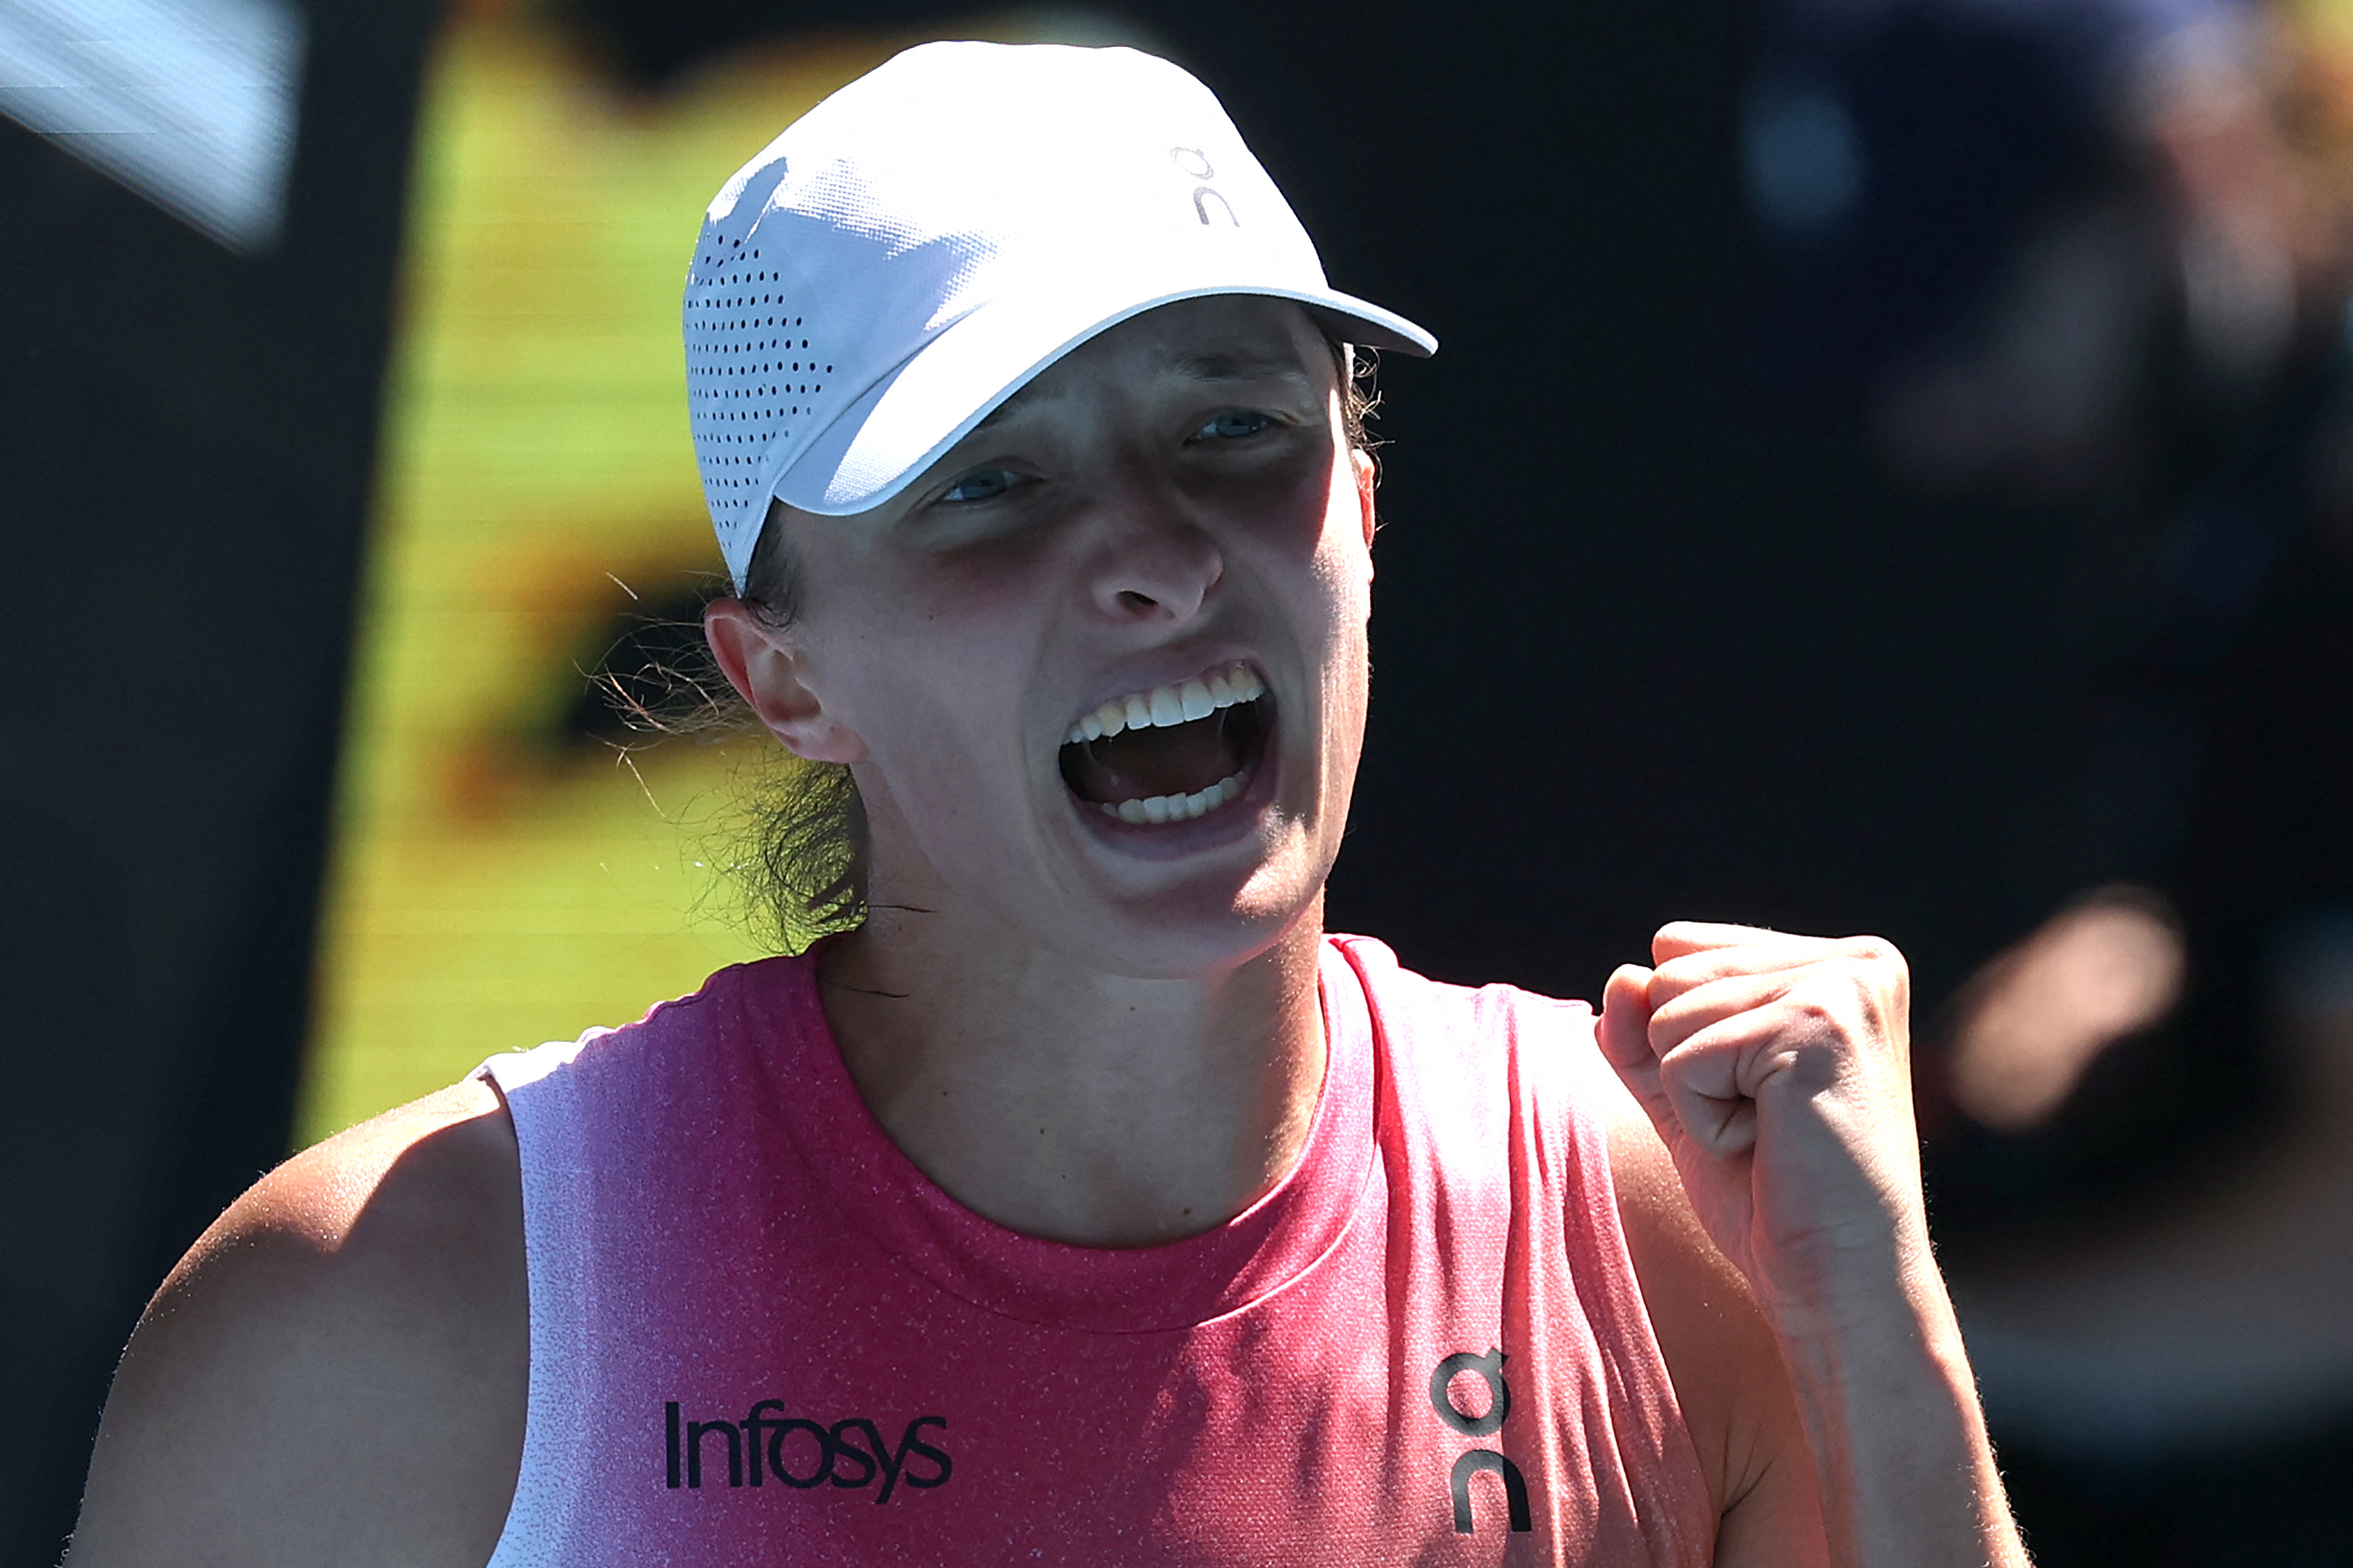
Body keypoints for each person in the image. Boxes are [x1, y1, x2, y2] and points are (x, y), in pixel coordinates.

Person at [63, 42, 2026, 1567]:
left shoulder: (1670, 1222)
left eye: (1231, 428)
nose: (1156, 554)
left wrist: (1882, 1336)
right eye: (988, 484)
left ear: (1359, 504)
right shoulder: (380, 1320)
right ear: (784, 677)